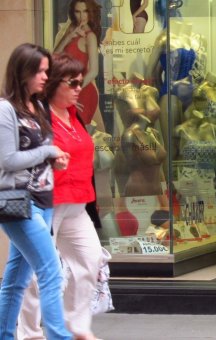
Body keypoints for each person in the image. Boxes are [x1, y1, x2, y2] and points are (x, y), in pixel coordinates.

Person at [17, 53, 103, 340]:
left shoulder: (75, 114)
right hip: (46, 203)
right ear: (54, 84)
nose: (79, 87)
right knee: (36, 273)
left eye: (81, 81)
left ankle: (74, 326)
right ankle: (29, 333)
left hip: (77, 203)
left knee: (89, 261)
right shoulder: (38, 117)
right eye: (73, 82)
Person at [0, 43, 72, 340]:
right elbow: (7, 160)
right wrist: (48, 151)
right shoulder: (5, 109)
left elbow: (37, 155)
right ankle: (59, 336)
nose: (45, 77)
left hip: (43, 201)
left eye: (47, 70)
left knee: (16, 279)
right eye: (40, 71)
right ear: (23, 71)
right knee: (51, 272)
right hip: (18, 202)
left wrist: (53, 159)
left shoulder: (39, 106)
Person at [53, 0, 105, 132]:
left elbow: (93, 71)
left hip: (84, 90)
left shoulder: (90, 37)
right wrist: (69, 36)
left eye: (85, 11)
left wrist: (73, 90)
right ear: (73, 13)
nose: (82, 16)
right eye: (78, 11)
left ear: (91, 13)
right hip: (68, 89)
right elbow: (54, 57)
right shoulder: (71, 30)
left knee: (79, 133)